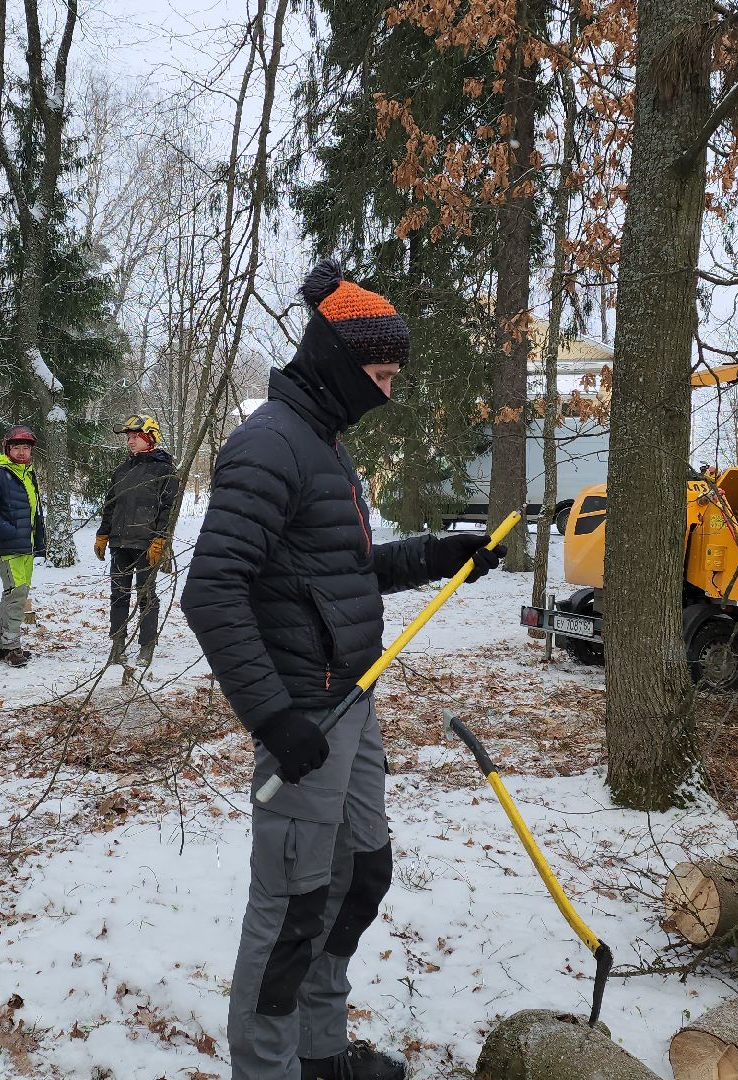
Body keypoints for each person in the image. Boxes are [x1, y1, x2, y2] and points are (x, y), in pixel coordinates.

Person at [180, 260, 500, 1080]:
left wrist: (436, 553)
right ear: (336, 359)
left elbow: (342, 569)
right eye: (381, 375)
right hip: (305, 715)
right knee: (290, 908)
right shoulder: (269, 445)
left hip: (353, 704)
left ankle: (320, 1053)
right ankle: (267, 1068)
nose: (387, 393)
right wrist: (274, 720)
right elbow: (211, 589)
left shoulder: (323, 446)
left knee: (359, 875)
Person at [95, 414, 177, 682]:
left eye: (134, 437)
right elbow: (111, 505)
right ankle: (117, 644)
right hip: (120, 543)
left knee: (145, 596)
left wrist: (161, 538)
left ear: (149, 438)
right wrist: (103, 533)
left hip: (146, 544)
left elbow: (169, 509)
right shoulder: (122, 470)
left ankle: (146, 645)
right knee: (118, 595)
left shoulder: (164, 470)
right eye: (128, 438)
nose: (130, 442)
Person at [0, 425, 47, 668]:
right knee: (16, 596)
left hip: (25, 547)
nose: (21, 452)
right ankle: (12, 646)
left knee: (13, 595)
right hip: (9, 547)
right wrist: (8, 530)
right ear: (7, 448)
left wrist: (37, 541)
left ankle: (1, 645)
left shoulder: (28, 473)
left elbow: (33, 513)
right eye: (16, 447)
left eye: (25, 448)